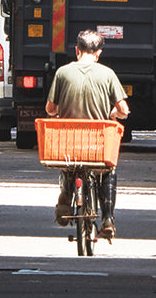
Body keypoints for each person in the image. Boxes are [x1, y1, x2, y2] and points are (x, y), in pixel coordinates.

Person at [45, 30, 129, 241]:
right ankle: (108, 218)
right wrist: (113, 114)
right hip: (96, 144)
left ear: (77, 50)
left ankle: (66, 193)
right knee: (108, 170)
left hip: (69, 144)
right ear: (98, 53)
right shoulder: (108, 74)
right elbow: (124, 110)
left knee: (68, 161)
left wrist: (57, 111)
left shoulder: (62, 73)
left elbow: (50, 108)